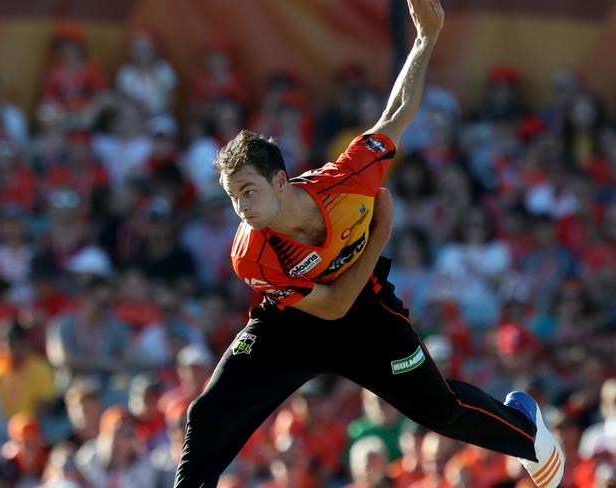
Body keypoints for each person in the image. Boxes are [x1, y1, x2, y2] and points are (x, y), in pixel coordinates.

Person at [175, 1, 564, 487]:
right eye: (233, 198)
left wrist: (426, 40)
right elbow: (331, 307)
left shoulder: (348, 178)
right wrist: (379, 235)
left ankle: (527, 433)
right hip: (297, 322)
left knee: (439, 410)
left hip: (370, 318)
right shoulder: (248, 254)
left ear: (280, 181)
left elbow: (398, 112)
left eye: (248, 192)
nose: (241, 209)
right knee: (208, 415)